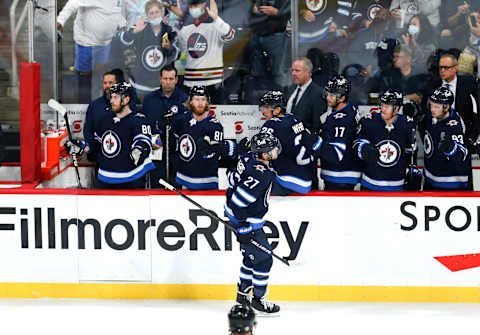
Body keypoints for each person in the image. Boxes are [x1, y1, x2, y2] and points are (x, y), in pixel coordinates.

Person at [224, 132, 280, 315]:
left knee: (250, 257)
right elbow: (239, 201)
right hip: (246, 220)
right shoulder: (261, 174)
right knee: (265, 259)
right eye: (272, 148)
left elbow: (231, 179)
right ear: (264, 154)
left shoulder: (247, 158)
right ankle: (258, 298)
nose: (276, 150)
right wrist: (242, 225)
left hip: (239, 217)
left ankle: (242, 295)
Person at [65, 82, 155, 189]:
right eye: (111, 97)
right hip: (104, 178)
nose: (111, 101)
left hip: (131, 179)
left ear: (126, 100)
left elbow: (143, 140)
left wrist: (139, 149)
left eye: (115, 97)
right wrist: (82, 147)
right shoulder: (105, 120)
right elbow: (97, 145)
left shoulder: (138, 119)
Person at [57, 0, 127, 103]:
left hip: (104, 43)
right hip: (86, 43)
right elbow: (72, 4)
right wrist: (59, 22)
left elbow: (116, 12)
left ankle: (104, 103)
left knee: (102, 75)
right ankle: (84, 105)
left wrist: (123, 26)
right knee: (84, 77)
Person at [169, 85, 233, 189]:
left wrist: (211, 149)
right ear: (190, 101)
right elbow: (170, 140)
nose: (200, 103)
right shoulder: (181, 121)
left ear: (208, 102)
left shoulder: (215, 126)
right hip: (184, 180)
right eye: (196, 99)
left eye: (203, 99)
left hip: (208, 181)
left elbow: (218, 153)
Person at [304, 75, 362, 191]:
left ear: (342, 98)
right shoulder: (349, 109)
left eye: (332, 95)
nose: (327, 98)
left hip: (340, 176)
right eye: (328, 93)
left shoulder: (341, 119)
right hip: (343, 174)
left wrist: (314, 140)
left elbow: (336, 153)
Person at [355, 90, 418, 191]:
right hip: (370, 183)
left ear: (396, 108)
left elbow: (411, 152)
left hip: (396, 184)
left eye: (387, 106)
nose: (383, 109)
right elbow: (356, 143)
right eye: (382, 105)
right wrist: (362, 148)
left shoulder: (407, 124)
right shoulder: (369, 121)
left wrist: (412, 169)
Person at [422, 53, 480, 156]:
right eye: (440, 67)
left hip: (465, 141)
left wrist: (471, 140)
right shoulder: (431, 86)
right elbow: (424, 116)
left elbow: (477, 114)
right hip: (437, 143)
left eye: (446, 67)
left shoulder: (469, 84)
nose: (442, 71)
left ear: (455, 68)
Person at [120, 0, 180, 96]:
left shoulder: (169, 30)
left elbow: (176, 55)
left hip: (161, 86)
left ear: (162, 12)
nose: (155, 15)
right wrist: (134, 32)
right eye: (151, 13)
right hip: (140, 85)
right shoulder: (139, 27)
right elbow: (123, 41)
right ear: (147, 15)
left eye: (157, 12)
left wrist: (170, 48)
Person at [178, 0, 235, 103]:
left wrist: (216, 18)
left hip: (213, 84)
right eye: (191, 5)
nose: (192, 8)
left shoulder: (215, 26)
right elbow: (183, 52)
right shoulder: (184, 30)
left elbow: (230, 35)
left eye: (196, 5)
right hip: (190, 84)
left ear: (204, 4)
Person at [259, 90, 314, 195]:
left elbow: (260, 152)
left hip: (287, 182)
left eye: (266, 107)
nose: (263, 111)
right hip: (306, 181)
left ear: (278, 109)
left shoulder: (270, 125)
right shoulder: (295, 119)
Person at [143, 64, 188, 186]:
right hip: (156, 152)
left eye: (171, 79)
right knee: (156, 189)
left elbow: (188, 127)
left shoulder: (185, 100)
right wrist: (157, 127)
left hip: (177, 154)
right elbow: (144, 125)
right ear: (160, 79)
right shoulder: (149, 100)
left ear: (176, 80)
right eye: (165, 79)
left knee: (175, 191)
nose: (168, 82)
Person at [422, 86, 471, 190]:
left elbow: (463, 154)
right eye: (431, 105)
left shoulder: (454, 126)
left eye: (436, 107)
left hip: (449, 183)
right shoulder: (434, 114)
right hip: (431, 178)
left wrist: (452, 149)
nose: (432, 109)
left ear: (446, 107)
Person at [248, 0, 290, 86]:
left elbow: (293, 10)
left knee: (278, 71)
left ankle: (281, 96)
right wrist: (252, 8)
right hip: (257, 32)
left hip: (275, 35)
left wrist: (277, 12)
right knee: (256, 71)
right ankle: (258, 96)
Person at [286, 57, 326, 133]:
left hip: (305, 140)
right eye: (292, 70)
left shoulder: (318, 93)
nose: (293, 73)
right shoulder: (291, 89)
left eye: (297, 71)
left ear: (308, 72)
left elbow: (317, 124)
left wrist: (295, 131)